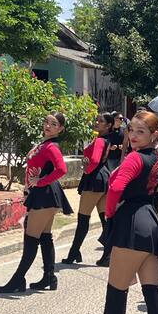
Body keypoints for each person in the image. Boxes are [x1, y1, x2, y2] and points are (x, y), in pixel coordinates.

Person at [85, 111, 158, 314]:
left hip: (131, 224)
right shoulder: (156, 158)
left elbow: (116, 188)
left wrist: (110, 216)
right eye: (131, 130)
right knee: (154, 296)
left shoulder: (135, 157)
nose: (133, 135)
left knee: (116, 294)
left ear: (154, 135)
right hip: (151, 224)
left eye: (141, 131)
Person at [0, 113, 71, 293]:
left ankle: (17, 280)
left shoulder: (51, 147)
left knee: (31, 239)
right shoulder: (44, 144)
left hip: (44, 195)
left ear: (60, 129)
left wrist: (41, 181)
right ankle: (49, 277)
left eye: (53, 124)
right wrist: (29, 187)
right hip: (41, 194)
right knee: (45, 237)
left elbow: (62, 169)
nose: (48, 126)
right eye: (47, 122)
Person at [63, 112, 113, 265]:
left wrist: (86, 170)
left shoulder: (99, 140)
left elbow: (95, 160)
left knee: (83, 218)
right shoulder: (105, 139)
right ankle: (107, 254)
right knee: (105, 219)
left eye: (101, 121)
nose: (97, 122)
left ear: (109, 125)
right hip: (103, 178)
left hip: (94, 179)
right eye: (97, 120)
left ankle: (73, 253)